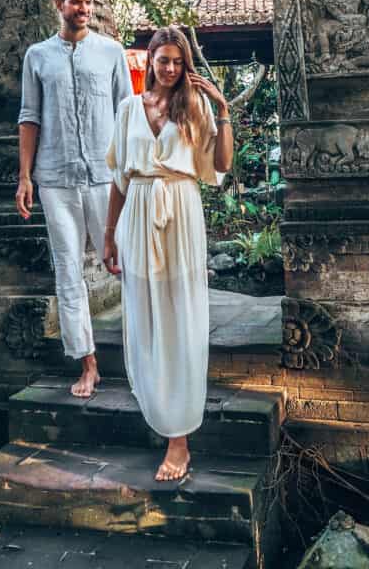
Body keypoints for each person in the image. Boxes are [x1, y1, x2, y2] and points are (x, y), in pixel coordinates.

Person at [103, 26, 233, 481]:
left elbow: (218, 166)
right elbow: (119, 178)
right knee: (144, 311)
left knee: (179, 314)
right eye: (164, 60)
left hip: (179, 209)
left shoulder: (194, 107)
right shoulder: (127, 109)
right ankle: (158, 405)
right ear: (151, 60)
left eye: (179, 62)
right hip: (138, 211)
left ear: (185, 65)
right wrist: (108, 234)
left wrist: (222, 107)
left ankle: (179, 439)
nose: (172, 69)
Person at [16, 0, 132, 397]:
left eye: (89, 2)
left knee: (125, 265)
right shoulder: (38, 57)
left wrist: (131, 174)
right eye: (76, 2)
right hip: (55, 180)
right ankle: (88, 364)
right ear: (59, 4)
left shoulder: (111, 53)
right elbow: (29, 117)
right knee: (68, 273)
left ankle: (144, 358)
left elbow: (127, 116)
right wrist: (25, 177)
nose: (84, 9)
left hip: (105, 179)